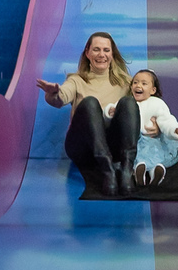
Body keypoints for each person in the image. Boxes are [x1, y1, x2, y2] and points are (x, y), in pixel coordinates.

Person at [36, 31, 144, 195]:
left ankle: (126, 170)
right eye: (96, 49)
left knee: (129, 102)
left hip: (114, 148)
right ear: (87, 53)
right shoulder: (76, 80)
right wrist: (53, 93)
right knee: (90, 103)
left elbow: (148, 106)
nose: (102, 54)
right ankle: (108, 171)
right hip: (83, 149)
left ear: (112, 54)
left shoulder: (126, 83)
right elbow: (61, 98)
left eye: (106, 50)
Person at [107, 69, 178, 187]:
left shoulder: (157, 103)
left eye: (144, 83)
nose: (138, 85)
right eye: (135, 82)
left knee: (154, 154)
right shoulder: (127, 102)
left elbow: (166, 119)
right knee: (137, 155)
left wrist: (174, 129)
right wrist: (110, 111)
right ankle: (139, 171)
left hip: (154, 140)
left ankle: (156, 172)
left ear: (153, 90)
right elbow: (117, 114)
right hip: (135, 141)